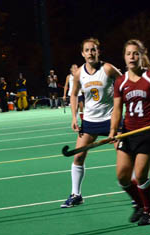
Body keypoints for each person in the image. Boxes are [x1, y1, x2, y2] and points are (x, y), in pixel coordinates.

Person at [109, 39, 150, 226]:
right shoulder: (121, 82)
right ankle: (140, 204)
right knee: (122, 177)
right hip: (128, 133)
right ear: (124, 57)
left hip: (149, 132)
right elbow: (117, 110)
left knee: (140, 176)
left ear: (141, 56)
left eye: (135, 53)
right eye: (129, 53)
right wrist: (113, 131)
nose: (132, 57)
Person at [60, 38, 122, 208]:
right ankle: (76, 194)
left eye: (93, 50)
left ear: (98, 52)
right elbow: (73, 95)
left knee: (124, 156)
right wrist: (74, 117)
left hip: (111, 120)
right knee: (78, 156)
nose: (90, 53)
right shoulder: (79, 73)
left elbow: (125, 83)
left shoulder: (108, 68)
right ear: (82, 53)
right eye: (87, 50)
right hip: (89, 121)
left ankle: (135, 192)